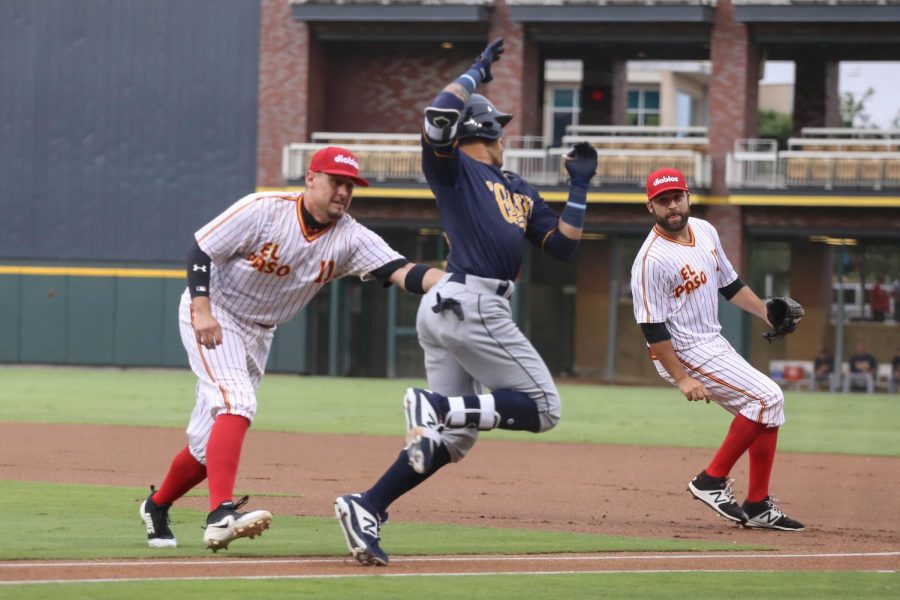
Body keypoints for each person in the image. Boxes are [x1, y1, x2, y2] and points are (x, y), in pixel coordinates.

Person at [333, 38, 598, 566]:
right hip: (470, 300)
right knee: (544, 409)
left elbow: (563, 247)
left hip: (455, 308)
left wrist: (580, 187)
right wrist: (476, 71)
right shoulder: (453, 168)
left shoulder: (517, 186)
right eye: (498, 125)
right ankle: (434, 407)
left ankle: (367, 504)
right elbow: (437, 114)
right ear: (485, 129)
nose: (504, 133)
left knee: (454, 441)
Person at [138, 146, 445, 551]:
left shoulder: (349, 236)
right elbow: (202, 250)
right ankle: (220, 515)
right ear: (311, 179)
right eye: (336, 181)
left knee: (204, 443)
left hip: (260, 332)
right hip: (216, 313)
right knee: (237, 403)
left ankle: (156, 506)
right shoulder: (264, 209)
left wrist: (450, 283)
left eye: (350, 185)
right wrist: (202, 308)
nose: (343, 192)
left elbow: (401, 270)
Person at [630, 167, 804, 532]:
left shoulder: (706, 231)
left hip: (712, 343)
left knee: (767, 410)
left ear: (688, 197)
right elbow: (651, 327)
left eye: (676, 197)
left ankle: (757, 504)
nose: (672, 206)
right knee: (767, 396)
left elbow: (730, 284)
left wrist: (766, 314)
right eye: (663, 201)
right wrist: (681, 379)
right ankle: (711, 479)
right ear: (651, 207)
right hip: (684, 351)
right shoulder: (650, 261)